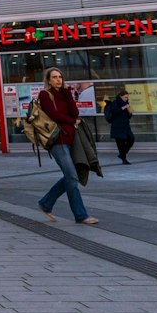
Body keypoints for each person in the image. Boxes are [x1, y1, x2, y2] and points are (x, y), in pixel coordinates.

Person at [35, 68, 99, 224]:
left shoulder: (65, 93)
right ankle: (81, 215)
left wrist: (68, 94)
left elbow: (75, 112)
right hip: (57, 141)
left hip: (72, 140)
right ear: (48, 80)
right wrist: (71, 121)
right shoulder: (45, 95)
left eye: (60, 77)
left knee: (72, 176)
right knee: (71, 176)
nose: (58, 80)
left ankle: (46, 202)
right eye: (54, 77)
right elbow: (53, 115)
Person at [103, 90, 135, 164]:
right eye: (125, 97)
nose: (126, 99)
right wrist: (123, 107)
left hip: (125, 125)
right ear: (121, 96)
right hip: (117, 125)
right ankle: (124, 159)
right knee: (121, 143)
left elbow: (128, 116)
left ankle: (122, 154)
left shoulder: (127, 103)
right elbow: (115, 111)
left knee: (131, 139)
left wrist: (130, 113)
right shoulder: (115, 102)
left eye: (127, 97)